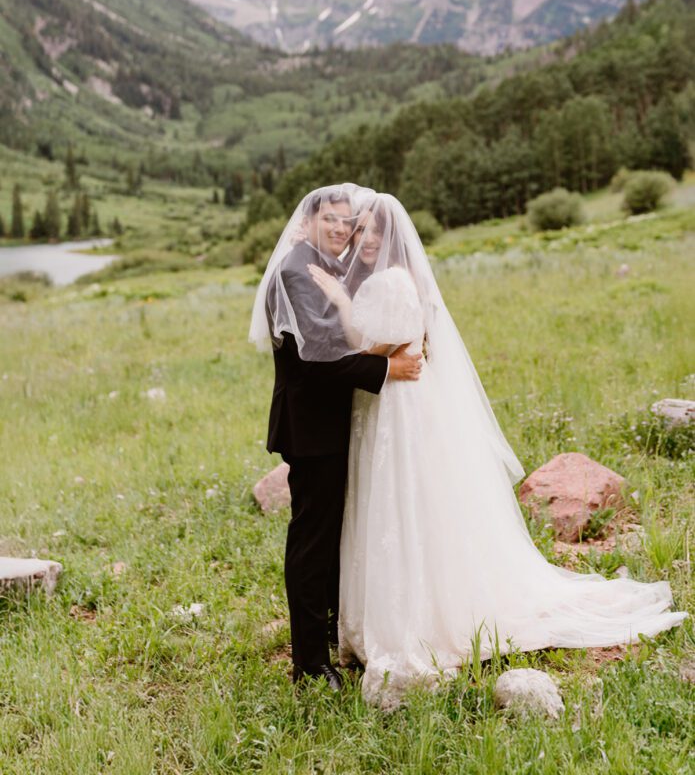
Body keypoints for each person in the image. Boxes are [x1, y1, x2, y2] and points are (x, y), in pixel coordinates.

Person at [306, 187, 689, 708]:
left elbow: (378, 347)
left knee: (404, 505)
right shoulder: (379, 279)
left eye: (374, 230)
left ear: (391, 234)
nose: (364, 238)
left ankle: (421, 619)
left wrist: (342, 302)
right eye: (359, 230)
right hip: (380, 409)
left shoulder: (392, 282)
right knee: (386, 510)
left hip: (398, 410)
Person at [248, 184, 422, 691]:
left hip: (330, 423)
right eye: (332, 219)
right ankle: (308, 663)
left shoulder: (323, 266)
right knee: (311, 543)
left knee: (329, 540)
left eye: (349, 221)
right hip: (312, 427)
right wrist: (387, 367)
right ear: (308, 221)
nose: (342, 228)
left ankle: (329, 636)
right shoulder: (296, 271)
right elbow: (318, 358)